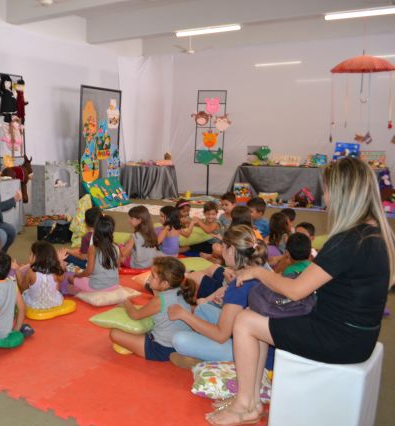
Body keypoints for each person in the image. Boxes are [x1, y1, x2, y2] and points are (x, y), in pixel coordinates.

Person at [207, 157, 395, 426]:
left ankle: (245, 405)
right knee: (256, 317)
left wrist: (258, 272)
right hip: (357, 336)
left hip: (339, 339)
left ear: (342, 193)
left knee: (245, 321)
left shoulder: (348, 240)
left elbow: (296, 291)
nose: (324, 197)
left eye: (326, 190)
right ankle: (250, 400)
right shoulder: (374, 234)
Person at [167, 225, 267, 369]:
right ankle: (206, 354)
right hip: (252, 336)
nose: (220, 250)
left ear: (231, 250)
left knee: (178, 339)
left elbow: (221, 335)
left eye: (222, 246)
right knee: (202, 309)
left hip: (250, 350)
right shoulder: (258, 271)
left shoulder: (238, 286)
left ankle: (216, 362)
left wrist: (184, 315)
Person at [109, 256, 196, 361]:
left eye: (153, 276)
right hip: (181, 345)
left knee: (114, 333)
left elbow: (135, 315)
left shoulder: (160, 300)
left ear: (165, 284)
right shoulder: (181, 290)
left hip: (161, 348)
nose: (149, 278)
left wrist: (126, 301)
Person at [69, 215, 120, 292]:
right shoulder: (116, 247)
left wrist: (77, 275)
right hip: (115, 285)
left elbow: (88, 271)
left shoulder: (93, 248)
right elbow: (118, 267)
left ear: (96, 231)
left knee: (70, 278)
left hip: (97, 287)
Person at [17, 241, 65, 309]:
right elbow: (61, 279)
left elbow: (23, 288)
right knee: (56, 282)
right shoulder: (56, 271)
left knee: (21, 292)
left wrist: (17, 271)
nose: (29, 256)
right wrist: (60, 262)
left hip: (34, 305)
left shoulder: (31, 272)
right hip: (55, 303)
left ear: (37, 257)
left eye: (31, 254)